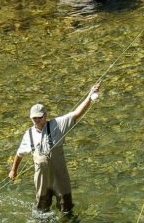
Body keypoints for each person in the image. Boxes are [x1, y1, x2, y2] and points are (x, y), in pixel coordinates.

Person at [9, 83, 101, 215]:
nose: (36, 121)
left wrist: (90, 95)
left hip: (59, 177)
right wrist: (14, 170)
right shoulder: (28, 134)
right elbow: (19, 154)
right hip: (42, 179)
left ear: (45, 116)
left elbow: (77, 113)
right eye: (34, 118)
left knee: (66, 208)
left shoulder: (58, 124)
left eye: (39, 117)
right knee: (41, 209)